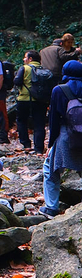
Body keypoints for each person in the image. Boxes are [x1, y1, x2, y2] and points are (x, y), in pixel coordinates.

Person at [41, 60, 82, 216]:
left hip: (66, 136)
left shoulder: (59, 90)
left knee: (51, 169)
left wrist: (51, 144)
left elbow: (54, 120)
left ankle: (51, 207)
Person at [14, 49, 50, 154]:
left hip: (24, 99)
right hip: (40, 101)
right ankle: (39, 148)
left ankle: (26, 145)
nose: (23, 59)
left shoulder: (25, 68)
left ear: (30, 59)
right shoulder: (45, 70)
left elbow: (17, 81)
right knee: (39, 124)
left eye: (25, 57)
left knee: (21, 121)